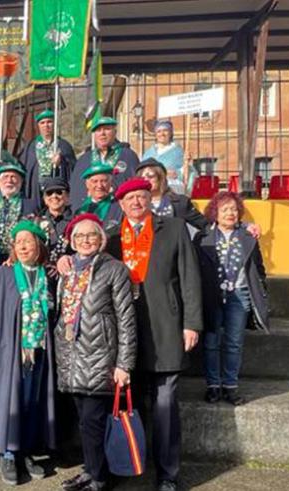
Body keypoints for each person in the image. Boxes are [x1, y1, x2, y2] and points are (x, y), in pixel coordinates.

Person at [108, 178, 202, 491]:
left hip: (166, 328)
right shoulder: (110, 238)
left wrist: (192, 323)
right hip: (126, 333)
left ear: (151, 198)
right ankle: (129, 463)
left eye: (141, 196)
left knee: (165, 405)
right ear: (121, 205)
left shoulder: (174, 229)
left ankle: (167, 474)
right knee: (130, 403)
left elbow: (190, 277)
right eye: (129, 198)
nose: (136, 202)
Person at [55, 213, 136, 491]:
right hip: (73, 357)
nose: (85, 241)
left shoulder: (114, 269)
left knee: (93, 422)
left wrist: (124, 364)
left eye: (91, 235)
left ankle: (100, 478)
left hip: (101, 357)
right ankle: (90, 471)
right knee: (85, 422)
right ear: (72, 241)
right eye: (79, 236)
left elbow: (126, 319)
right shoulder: (68, 270)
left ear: (101, 240)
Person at [0, 220, 56, 486]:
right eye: (18, 242)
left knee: (33, 401)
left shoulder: (47, 275)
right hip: (11, 352)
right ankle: (8, 453)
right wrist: (10, 346)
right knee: (11, 399)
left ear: (38, 245)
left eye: (27, 241)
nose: (22, 246)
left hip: (40, 350)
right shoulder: (5, 274)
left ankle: (28, 450)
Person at [195, 192, 269, 406]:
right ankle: (213, 386)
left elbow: (259, 268)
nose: (230, 213)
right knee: (210, 342)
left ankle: (230, 386)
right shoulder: (202, 237)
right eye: (225, 209)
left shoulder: (248, 236)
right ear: (215, 213)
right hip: (212, 295)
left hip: (239, 295)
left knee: (234, 343)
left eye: (234, 209)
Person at [70, 116, 139, 211]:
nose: (102, 133)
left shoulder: (128, 156)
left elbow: (135, 187)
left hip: (118, 212)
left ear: (115, 132)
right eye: (98, 130)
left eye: (107, 129)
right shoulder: (84, 159)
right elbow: (75, 191)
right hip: (89, 212)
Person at [0, 162, 36, 266]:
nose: (9, 180)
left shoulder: (30, 206)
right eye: (5, 177)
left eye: (13, 177)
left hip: (18, 258)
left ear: (21, 181)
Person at [20, 110, 76, 208]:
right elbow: (23, 168)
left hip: (56, 191)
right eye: (42, 123)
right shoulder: (30, 146)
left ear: (54, 124)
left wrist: (62, 162)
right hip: (36, 190)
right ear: (38, 126)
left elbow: (73, 169)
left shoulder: (64, 145)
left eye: (49, 122)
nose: (46, 125)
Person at [136, 158, 208, 229]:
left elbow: (206, 226)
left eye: (150, 176)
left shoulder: (180, 203)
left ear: (161, 178)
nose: (146, 180)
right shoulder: (134, 204)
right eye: (142, 178)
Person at [33, 177, 73, 283]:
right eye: (49, 193)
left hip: (68, 275)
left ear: (67, 197)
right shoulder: (35, 222)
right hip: (41, 276)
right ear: (45, 199)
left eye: (59, 192)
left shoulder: (77, 222)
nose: (54, 196)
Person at [142, 120, 195, 195]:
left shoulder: (178, 152)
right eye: (159, 131)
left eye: (165, 130)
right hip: (151, 191)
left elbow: (186, 174)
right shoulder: (148, 153)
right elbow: (142, 172)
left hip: (171, 190)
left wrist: (182, 169)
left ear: (171, 133)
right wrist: (161, 173)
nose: (162, 134)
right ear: (155, 135)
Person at [75, 162, 124, 229]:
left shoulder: (120, 206)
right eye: (95, 181)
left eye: (104, 181)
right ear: (87, 184)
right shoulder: (80, 209)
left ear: (110, 183)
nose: (99, 186)